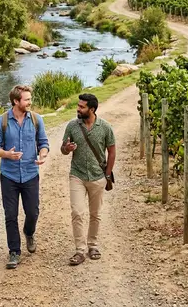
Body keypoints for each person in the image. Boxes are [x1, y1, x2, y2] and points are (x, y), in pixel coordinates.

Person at [0, 85, 50, 269]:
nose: (30, 102)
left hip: (31, 174)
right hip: (9, 176)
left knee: (33, 212)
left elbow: (44, 143)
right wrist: (6, 154)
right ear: (16, 101)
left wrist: (43, 154)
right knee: (10, 215)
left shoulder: (36, 119)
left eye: (30, 99)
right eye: (27, 100)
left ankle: (29, 232)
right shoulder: (2, 121)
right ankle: (14, 251)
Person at [60, 93, 116, 266]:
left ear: (91, 109)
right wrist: (67, 148)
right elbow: (63, 149)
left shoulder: (105, 127)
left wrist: (107, 174)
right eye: (78, 105)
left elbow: (112, 152)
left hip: (98, 176)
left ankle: (93, 245)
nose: (78, 109)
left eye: (82, 107)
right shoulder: (72, 126)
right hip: (76, 175)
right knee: (77, 212)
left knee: (95, 214)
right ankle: (80, 250)